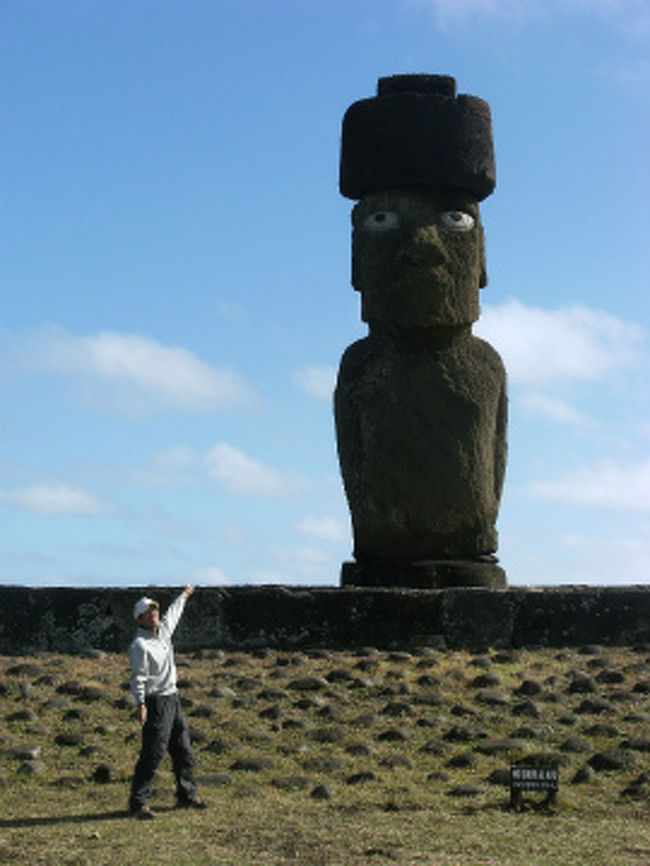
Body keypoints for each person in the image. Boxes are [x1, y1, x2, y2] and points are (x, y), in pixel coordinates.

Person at [128, 584, 206, 819]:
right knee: (153, 752)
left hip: (172, 698)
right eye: (149, 612)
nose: (154, 614)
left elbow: (173, 613)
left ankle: (187, 795)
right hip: (156, 701)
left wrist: (184, 595)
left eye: (155, 611)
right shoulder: (139, 646)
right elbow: (138, 677)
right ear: (140, 619)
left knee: (183, 749)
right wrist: (140, 703)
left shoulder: (163, 633)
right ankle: (138, 802)